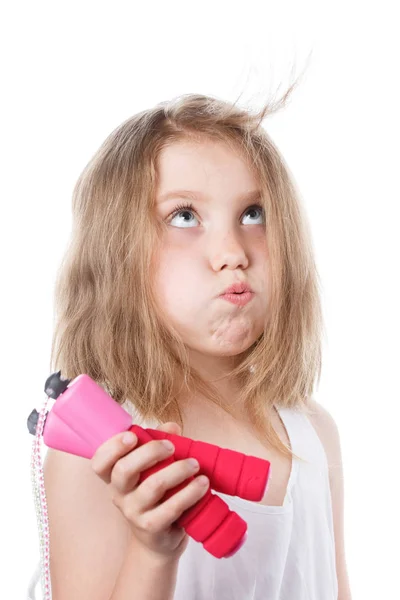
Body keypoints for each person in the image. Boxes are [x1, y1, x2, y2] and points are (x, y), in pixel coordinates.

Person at [27, 87, 352, 599]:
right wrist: (151, 550)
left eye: (253, 213)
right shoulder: (102, 456)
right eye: (184, 217)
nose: (232, 253)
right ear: (120, 255)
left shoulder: (314, 433)